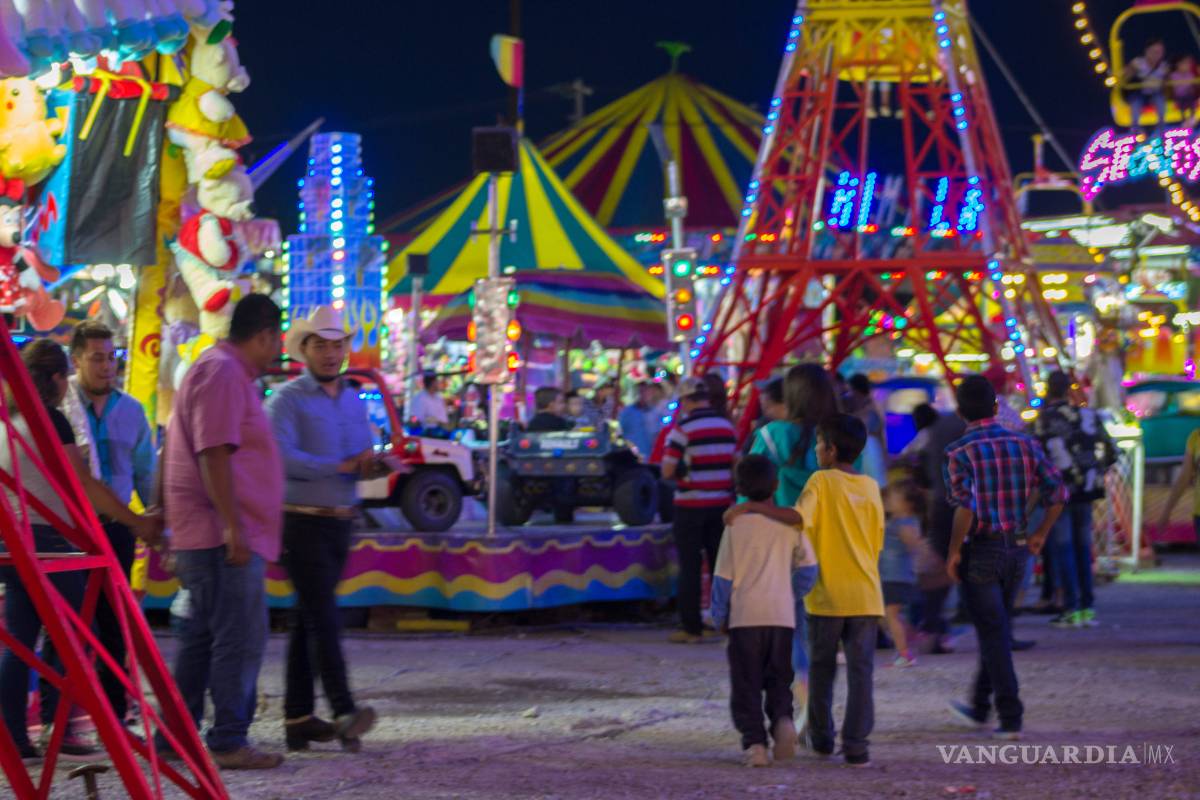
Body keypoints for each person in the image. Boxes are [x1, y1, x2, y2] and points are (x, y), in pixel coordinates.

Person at [0, 340, 160, 763]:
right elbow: (83, 484)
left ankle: (14, 739)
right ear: (57, 378)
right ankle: (61, 731)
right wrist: (136, 520)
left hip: (13, 545)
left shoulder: (8, 422)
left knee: (20, 643)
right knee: (76, 637)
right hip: (51, 544)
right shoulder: (49, 420)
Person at [161, 294, 286, 770]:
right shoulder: (223, 372)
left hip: (210, 532)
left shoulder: (218, 370)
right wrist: (234, 526)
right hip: (220, 535)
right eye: (276, 340)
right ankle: (229, 738)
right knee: (238, 637)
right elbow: (214, 453)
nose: (277, 349)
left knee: (202, 639)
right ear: (265, 336)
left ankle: (177, 736)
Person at [266, 306, 381, 753]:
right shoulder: (286, 399)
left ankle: (297, 718)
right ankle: (344, 708)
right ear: (304, 349)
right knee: (324, 615)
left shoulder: (352, 397)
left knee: (310, 617)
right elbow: (279, 457)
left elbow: (361, 452)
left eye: (337, 345)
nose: (331, 354)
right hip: (300, 519)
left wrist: (373, 463)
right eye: (321, 345)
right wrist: (338, 466)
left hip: (340, 520)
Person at [944, 375, 1066, 741]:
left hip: (981, 548)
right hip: (1017, 547)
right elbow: (1058, 492)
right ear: (996, 407)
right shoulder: (1025, 444)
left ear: (960, 411)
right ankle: (980, 706)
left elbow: (965, 508)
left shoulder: (958, 452)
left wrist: (953, 550)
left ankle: (1010, 716)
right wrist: (1041, 532)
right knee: (996, 627)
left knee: (993, 630)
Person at [65, 321, 160, 735]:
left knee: (114, 623)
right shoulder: (63, 406)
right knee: (67, 624)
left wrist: (156, 520)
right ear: (76, 360)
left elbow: (146, 475)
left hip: (116, 528)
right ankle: (60, 717)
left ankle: (114, 717)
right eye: (97, 358)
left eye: (112, 358)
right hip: (68, 530)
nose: (107, 367)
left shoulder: (132, 410)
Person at [710, 456, 815, 768]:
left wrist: (719, 617)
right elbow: (809, 570)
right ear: (776, 485)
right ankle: (783, 720)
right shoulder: (790, 524)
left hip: (744, 619)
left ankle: (755, 744)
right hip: (781, 618)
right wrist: (789, 592)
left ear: (739, 488)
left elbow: (722, 579)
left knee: (746, 684)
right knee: (779, 678)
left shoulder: (734, 526)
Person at [1030, 371, 1116, 629]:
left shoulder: (1043, 420)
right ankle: (1087, 607)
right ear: (1069, 390)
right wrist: (1095, 470)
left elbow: (1035, 457)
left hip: (1059, 490)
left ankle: (1071, 608)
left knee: (1064, 547)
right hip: (1087, 488)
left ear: (1048, 390)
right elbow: (1112, 450)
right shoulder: (1089, 415)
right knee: (1082, 546)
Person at [661, 377, 737, 644]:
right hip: (721, 506)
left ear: (685, 400)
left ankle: (691, 627)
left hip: (690, 506)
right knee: (720, 565)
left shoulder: (682, 430)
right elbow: (735, 465)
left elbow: (667, 470)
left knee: (690, 566)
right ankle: (724, 622)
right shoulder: (727, 427)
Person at [900, 402, 965, 651]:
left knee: (937, 567)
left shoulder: (935, 432)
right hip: (961, 505)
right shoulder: (961, 428)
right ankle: (937, 626)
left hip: (940, 505)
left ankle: (932, 625)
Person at [880, 481, 926, 668]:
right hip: (889, 575)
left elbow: (914, 545)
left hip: (896, 576)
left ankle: (904, 654)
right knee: (886, 615)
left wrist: (908, 537)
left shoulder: (906, 523)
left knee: (890, 615)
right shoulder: (895, 522)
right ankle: (910, 639)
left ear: (907, 504)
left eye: (893, 498)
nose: (888, 501)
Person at [1124, 39, 1169, 131]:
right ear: (1147, 51)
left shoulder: (1164, 66)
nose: (1157, 55)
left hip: (1155, 92)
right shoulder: (1138, 63)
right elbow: (1127, 74)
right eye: (1154, 52)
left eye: (1160, 52)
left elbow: (1169, 80)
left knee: (1160, 101)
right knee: (1136, 103)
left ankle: (1161, 126)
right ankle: (1135, 127)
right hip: (1140, 92)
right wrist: (1129, 71)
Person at [619, 382, 659, 458]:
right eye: (641, 391)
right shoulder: (627, 412)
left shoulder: (656, 412)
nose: (643, 394)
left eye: (646, 391)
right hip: (631, 456)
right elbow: (621, 434)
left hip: (650, 456)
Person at [1170, 54, 1199, 125]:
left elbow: (1192, 86)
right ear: (1178, 65)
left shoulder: (1190, 75)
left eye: (1188, 64)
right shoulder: (1174, 75)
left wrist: (1191, 89)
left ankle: (1192, 118)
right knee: (1182, 102)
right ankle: (1183, 120)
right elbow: (1176, 89)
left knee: (1192, 100)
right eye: (1184, 64)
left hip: (1189, 96)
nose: (1187, 66)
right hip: (1179, 96)